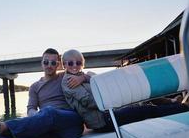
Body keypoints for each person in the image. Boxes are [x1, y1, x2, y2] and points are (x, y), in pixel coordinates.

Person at [61, 49, 189, 132]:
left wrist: (85, 77)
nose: (75, 66)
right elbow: (90, 102)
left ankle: (177, 104)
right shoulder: (69, 81)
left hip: (110, 112)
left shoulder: (84, 76)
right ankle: (184, 108)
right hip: (102, 120)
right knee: (146, 110)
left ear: (82, 64)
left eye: (78, 63)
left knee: (144, 97)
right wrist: (118, 99)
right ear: (64, 65)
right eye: (70, 63)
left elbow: (103, 84)